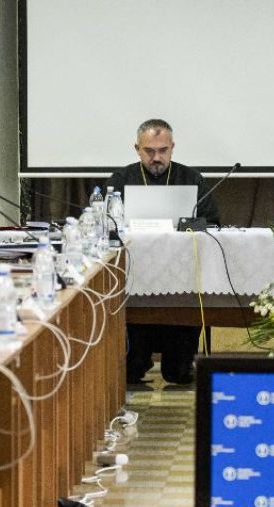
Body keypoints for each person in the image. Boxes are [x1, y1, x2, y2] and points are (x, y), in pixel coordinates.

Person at [106, 119, 220, 385]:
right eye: (149, 151)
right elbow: (107, 224)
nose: (156, 158)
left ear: (172, 148)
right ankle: (136, 360)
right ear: (137, 149)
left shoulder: (191, 178)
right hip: (136, 274)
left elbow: (213, 222)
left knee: (179, 374)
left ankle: (179, 362)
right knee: (131, 372)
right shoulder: (121, 179)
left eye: (162, 150)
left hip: (183, 274)